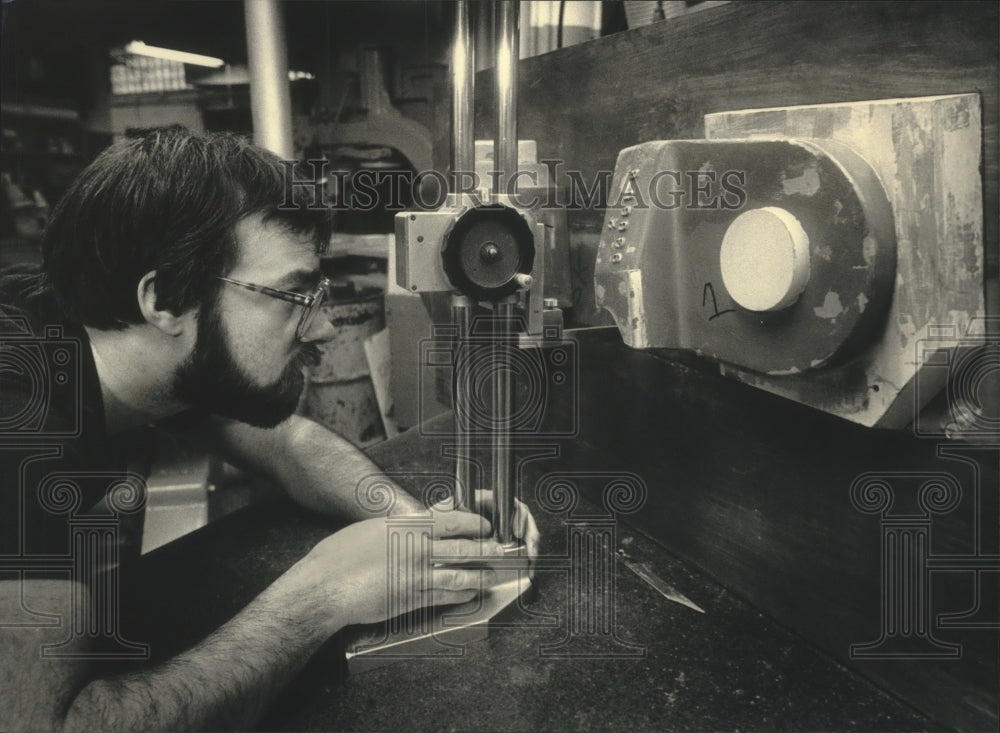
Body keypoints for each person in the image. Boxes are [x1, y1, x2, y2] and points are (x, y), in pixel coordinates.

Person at [0, 126, 539, 730]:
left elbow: (290, 444)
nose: (324, 330)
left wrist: (421, 534)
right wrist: (321, 595)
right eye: (292, 296)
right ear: (167, 298)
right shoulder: (19, 431)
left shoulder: (115, 337)